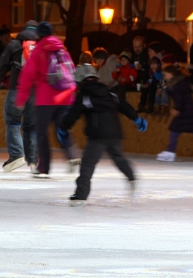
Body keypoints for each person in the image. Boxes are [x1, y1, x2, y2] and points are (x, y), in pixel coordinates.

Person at [58, 64, 148, 204]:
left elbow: (73, 114)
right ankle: (131, 178)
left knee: (87, 164)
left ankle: (81, 195)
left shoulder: (84, 96)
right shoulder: (109, 93)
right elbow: (124, 106)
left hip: (97, 136)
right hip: (114, 133)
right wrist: (136, 118)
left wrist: (63, 128)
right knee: (118, 158)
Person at [14, 21, 79, 177]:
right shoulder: (62, 49)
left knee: (42, 133)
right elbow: (71, 70)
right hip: (64, 97)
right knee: (61, 128)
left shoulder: (39, 51)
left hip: (46, 99)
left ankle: (44, 166)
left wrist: (21, 99)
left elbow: (27, 76)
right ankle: (72, 155)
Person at [0, 20, 39, 172]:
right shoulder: (42, 45)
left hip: (17, 88)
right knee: (31, 126)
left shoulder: (14, 44)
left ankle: (17, 154)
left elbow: (2, 65)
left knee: (13, 121)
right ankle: (32, 161)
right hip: (35, 91)